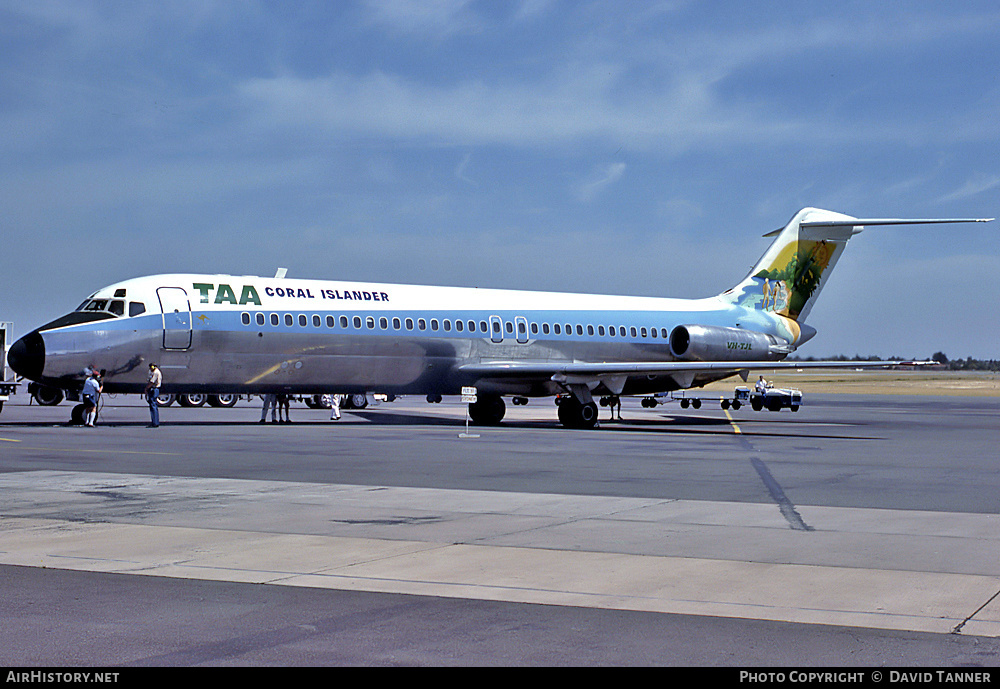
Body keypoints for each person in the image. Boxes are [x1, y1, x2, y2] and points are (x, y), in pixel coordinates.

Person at [144, 363, 162, 427]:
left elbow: (152, 382)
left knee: (153, 405)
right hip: (154, 389)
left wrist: (146, 388)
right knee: (153, 405)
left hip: (154, 389)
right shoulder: (154, 372)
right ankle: (154, 422)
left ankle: (155, 422)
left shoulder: (156, 372)